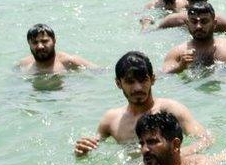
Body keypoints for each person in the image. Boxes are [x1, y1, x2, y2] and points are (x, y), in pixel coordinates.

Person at [74, 51, 211, 156]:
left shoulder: (171, 110)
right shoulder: (110, 120)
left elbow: (205, 140)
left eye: (143, 80)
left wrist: (169, 154)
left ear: (152, 79)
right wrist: (82, 150)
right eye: (130, 81)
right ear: (118, 83)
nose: (138, 88)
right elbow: (93, 147)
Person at [163, 3, 226, 73]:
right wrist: (180, 67)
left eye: (204, 21)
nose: (198, 26)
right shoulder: (177, 52)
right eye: (193, 22)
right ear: (187, 24)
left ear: (214, 23)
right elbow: (164, 74)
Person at [16, 23, 95, 74]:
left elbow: (100, 72)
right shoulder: (23, 65)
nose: (40, 46)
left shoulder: (70, 62)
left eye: (44, 41)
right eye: (35, 42)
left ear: (54, 41)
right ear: (29, 44)